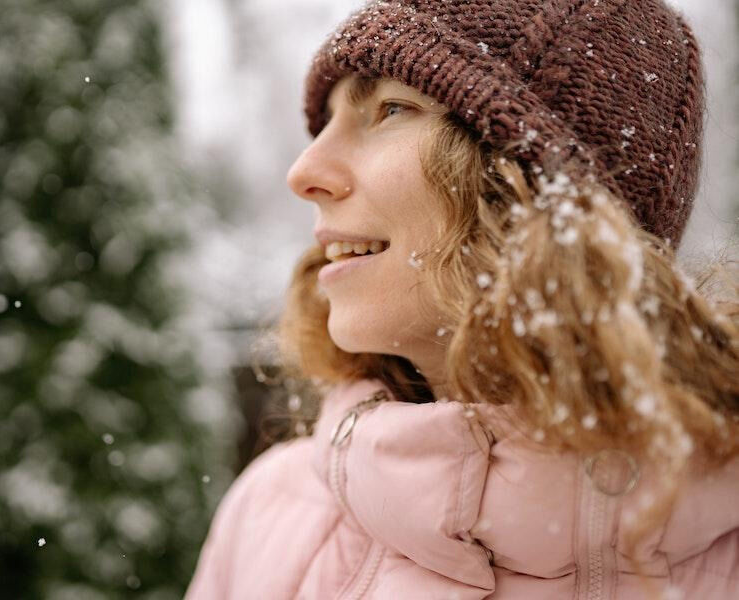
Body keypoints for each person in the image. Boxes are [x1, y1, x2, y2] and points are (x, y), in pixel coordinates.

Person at [185, 0, 739, 598]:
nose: (305, 169)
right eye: (327, 120)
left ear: (536, 192)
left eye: (391, 108)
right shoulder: (269, 513)